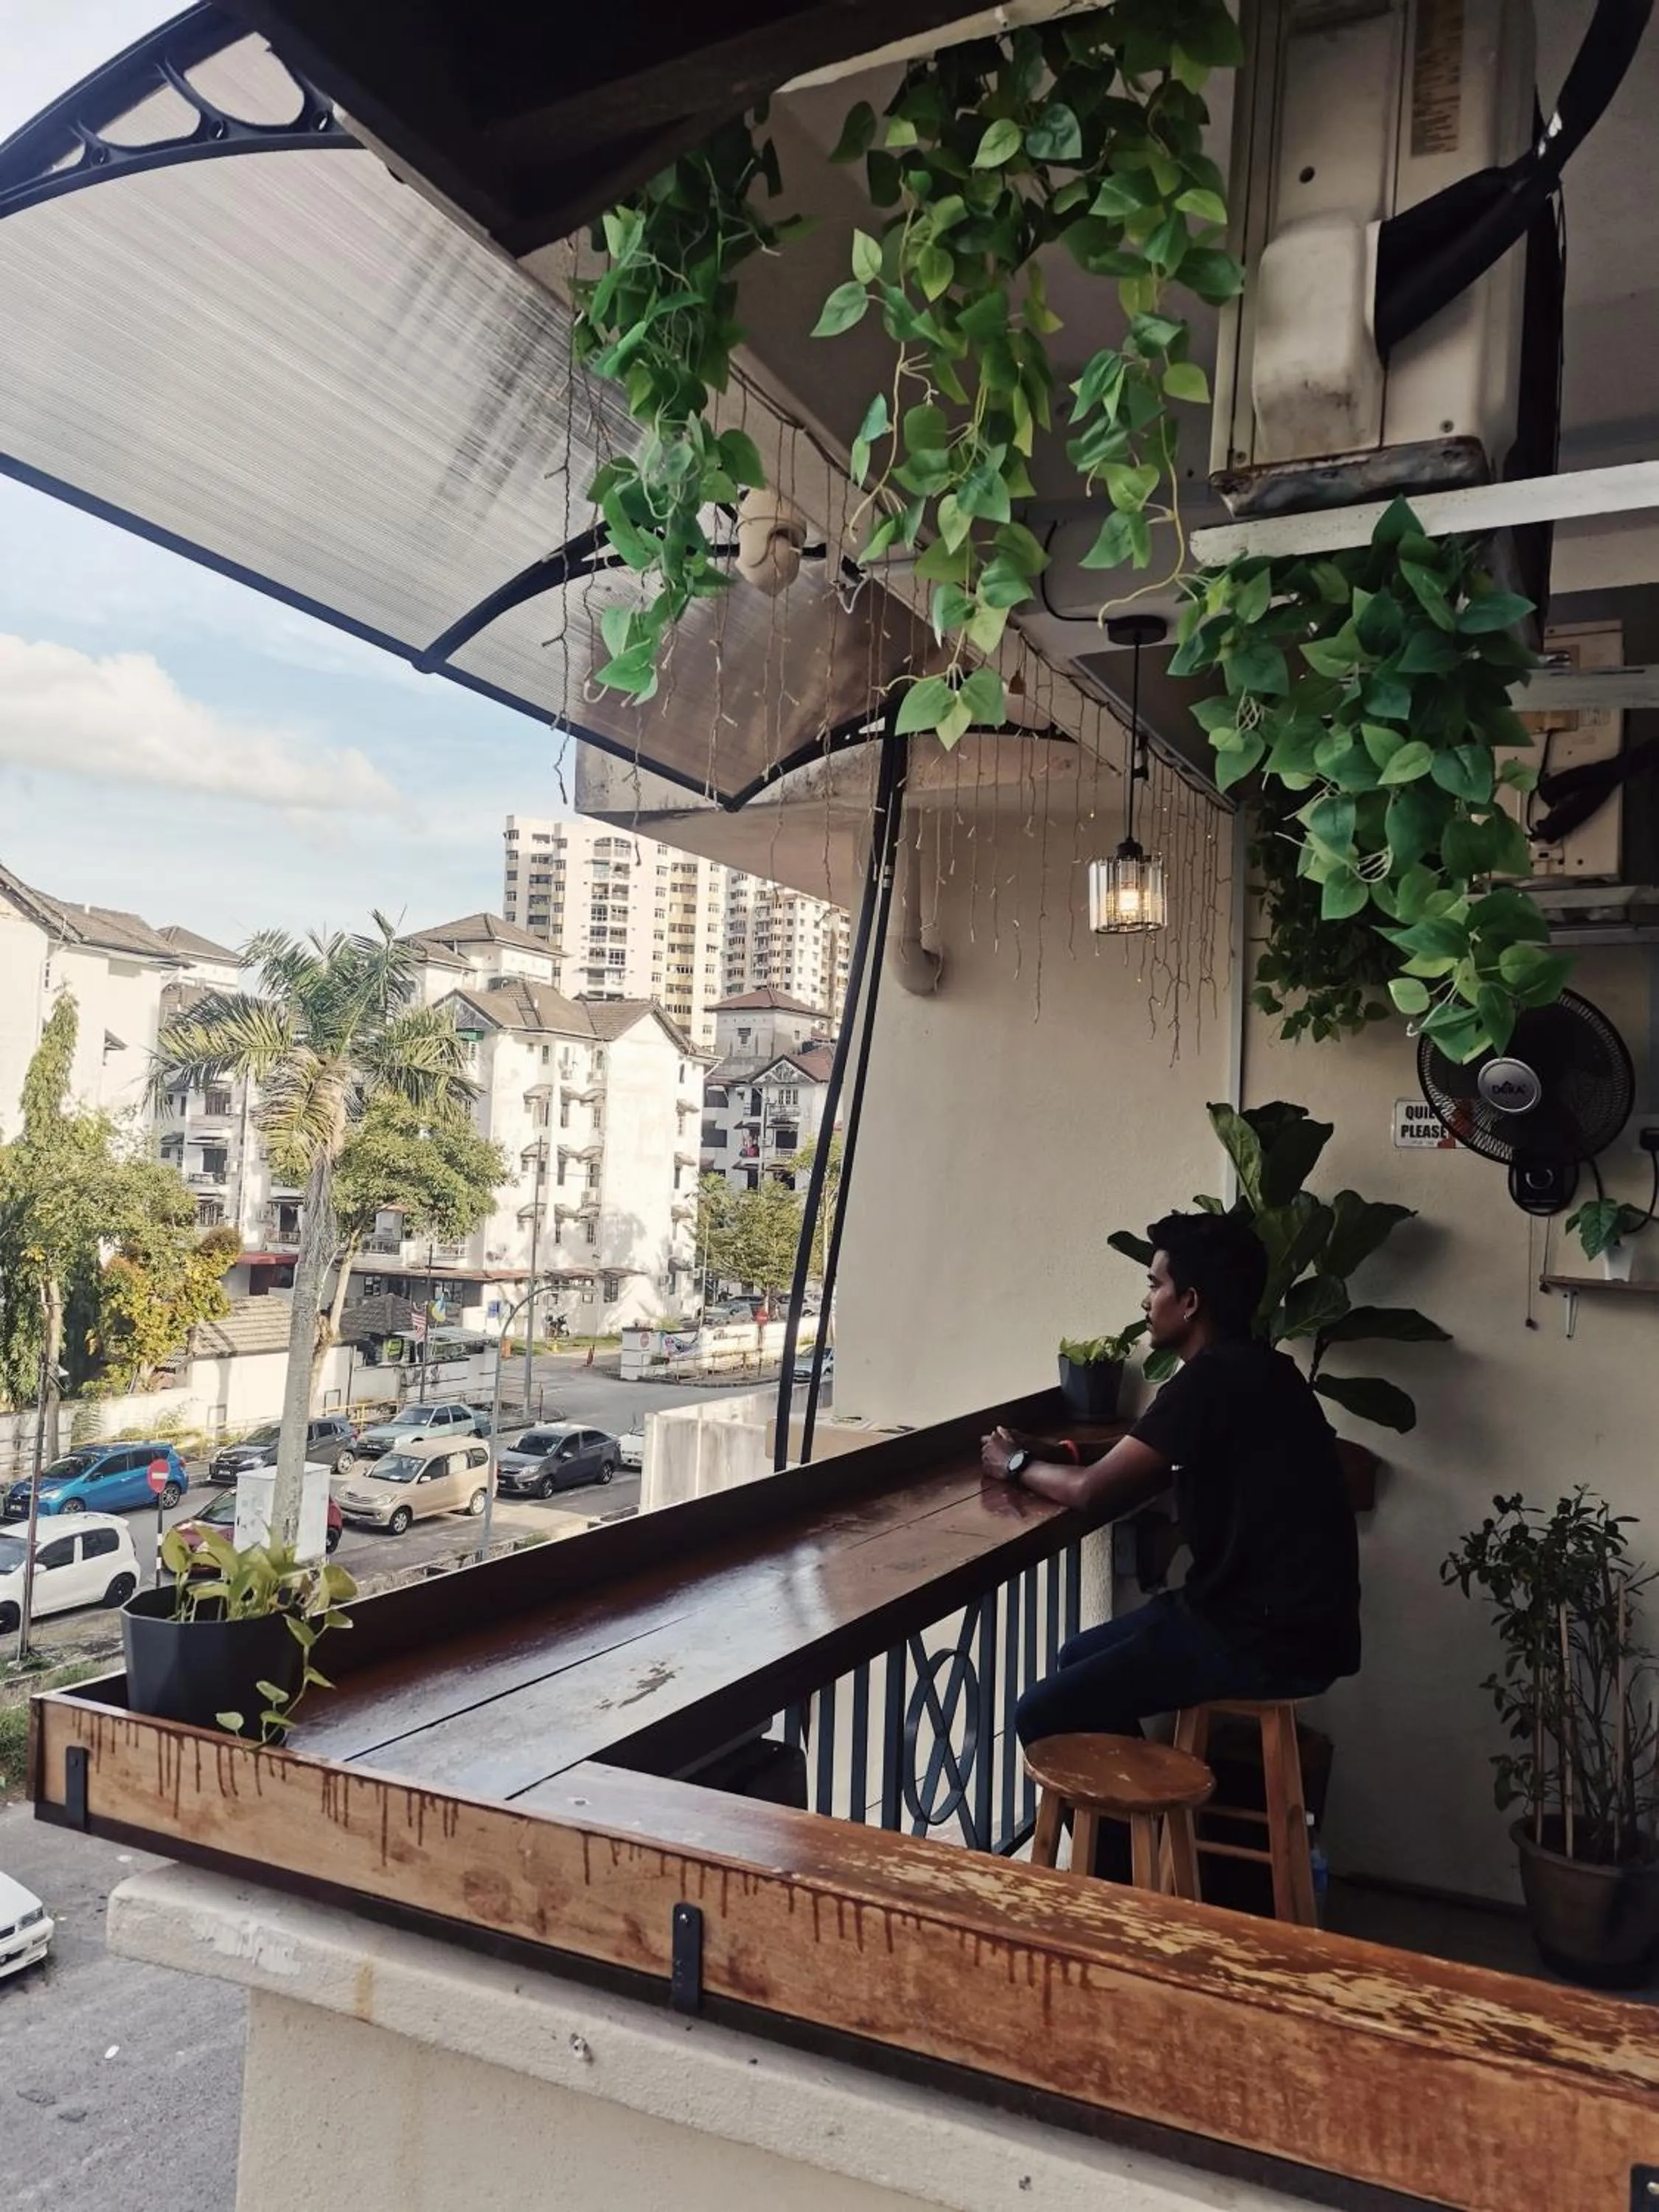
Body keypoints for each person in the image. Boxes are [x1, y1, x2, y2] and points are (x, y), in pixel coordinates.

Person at [981, 1211, 1360, 1753]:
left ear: (1191, 1301)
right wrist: (1055, 1451)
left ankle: (1130, 1838)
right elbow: (1145, 1452)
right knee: (1076, 1660)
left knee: (1041, 1712)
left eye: (1156, 1285)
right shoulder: (1263, 1368)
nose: (1146, 1302)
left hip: (1261, 1636)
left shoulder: (1211, 1380)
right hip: (1294, 1624)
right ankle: (1139, 1830)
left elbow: (1093, 1491)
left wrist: (1014, 1465)